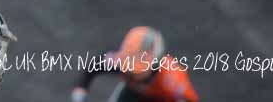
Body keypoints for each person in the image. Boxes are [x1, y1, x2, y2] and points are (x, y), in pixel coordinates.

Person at [71, 26, 199, 102]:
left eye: (138, 69)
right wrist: (80, 91)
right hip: (132, 94)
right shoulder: (118, 61)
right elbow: (94, 66)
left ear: (155, 64)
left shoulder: (172, 80)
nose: (131, 73)